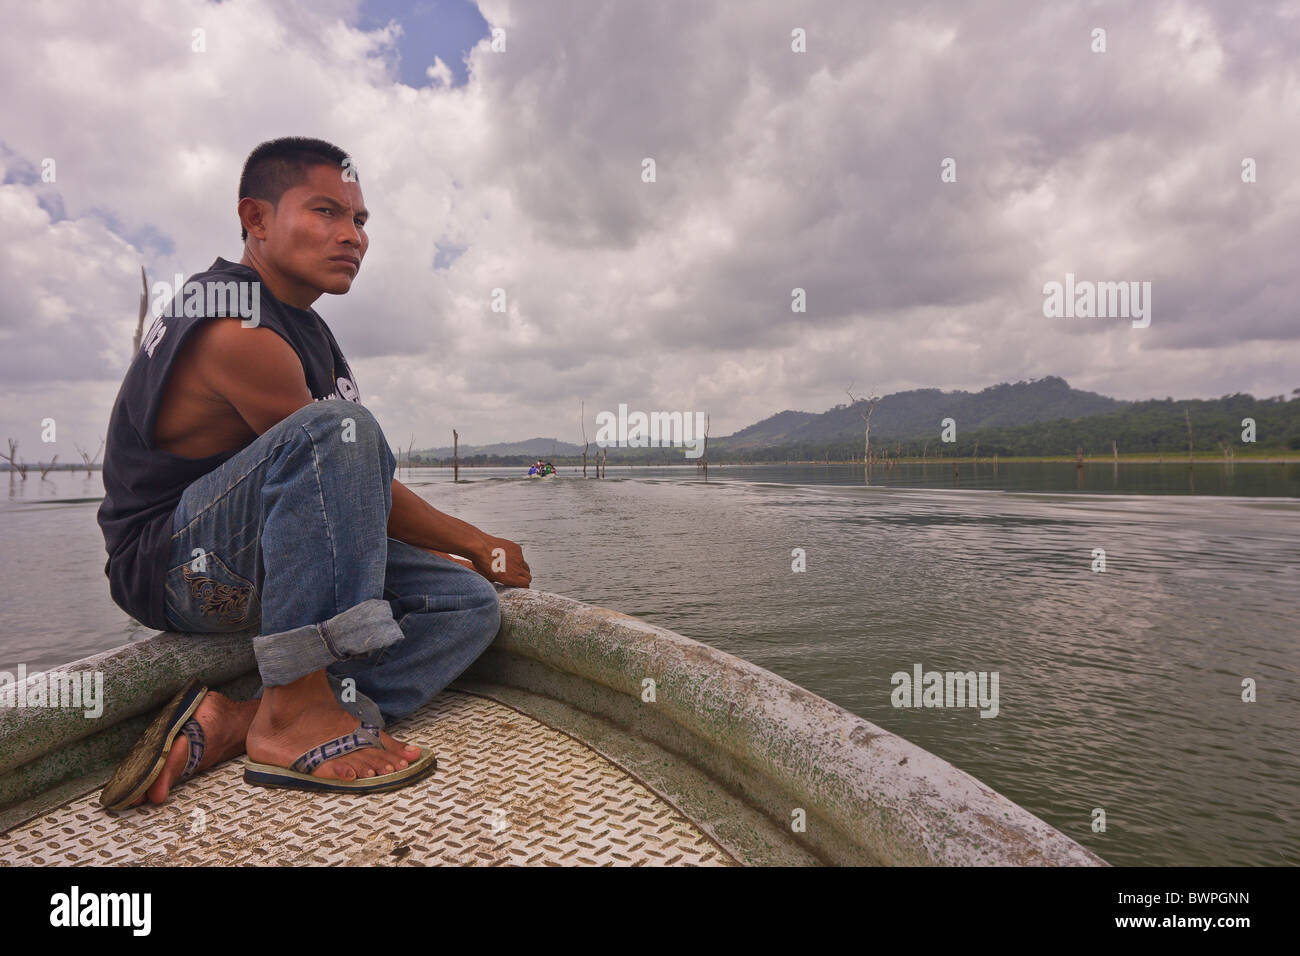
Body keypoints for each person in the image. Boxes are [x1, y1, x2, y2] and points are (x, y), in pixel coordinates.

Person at [96, 136, 530, 807]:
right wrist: (477, 541)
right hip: (179, 568)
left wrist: (453, 558)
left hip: (268, 551)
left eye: (359, 221)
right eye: (326, 212)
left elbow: (340, 496)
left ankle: (246, 718)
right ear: (256, 218)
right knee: (345, 429)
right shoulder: (232, 323)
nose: (350, 236)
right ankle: (296, 711)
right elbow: (337, 457)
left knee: (465, 605)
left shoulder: (303, 326)